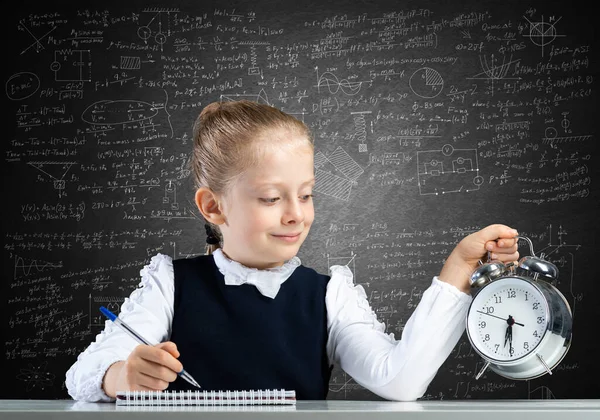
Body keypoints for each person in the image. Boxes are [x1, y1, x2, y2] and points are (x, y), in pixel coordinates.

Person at [65, 100, 519, 402]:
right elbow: (82, 375)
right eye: (270, 198)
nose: (296, 215)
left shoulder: (329, 294)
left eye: (306, 195)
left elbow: (399, 380)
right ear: (213, 206)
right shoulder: (170, 284)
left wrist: (458, 268)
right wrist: (120, 375)